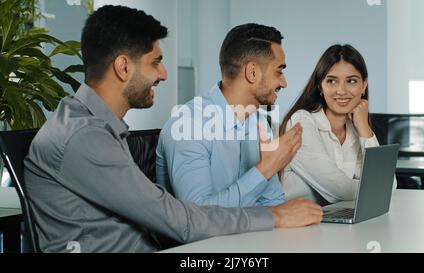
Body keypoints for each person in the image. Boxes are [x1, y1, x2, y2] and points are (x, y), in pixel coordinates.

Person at [24, 5, 323, 253]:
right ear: (123, 67)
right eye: (156, 62)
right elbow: (181, 222)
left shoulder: (98, 127)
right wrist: (271, 209)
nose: (165, 75)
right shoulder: (84, 136)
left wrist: (274, 202)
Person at [156, 23, 300, 207]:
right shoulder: (189, 125)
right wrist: (266, 169)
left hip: (247, 235)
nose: (284, 82)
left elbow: (272, 203)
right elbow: (198, 217)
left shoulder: (259, 123)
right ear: (252, 72)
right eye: (279, 71)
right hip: (204, 236)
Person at [279, 44, 379, 205]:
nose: (341, 90)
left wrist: (364, 128)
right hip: (289, 224)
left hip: (330, 220)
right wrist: (373, 189)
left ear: (364, 85)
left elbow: (386, 181)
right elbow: (341, 190)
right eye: (332, 81)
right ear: (320, 86)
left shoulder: (355, 129)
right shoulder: (301, 122)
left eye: (351, 81)